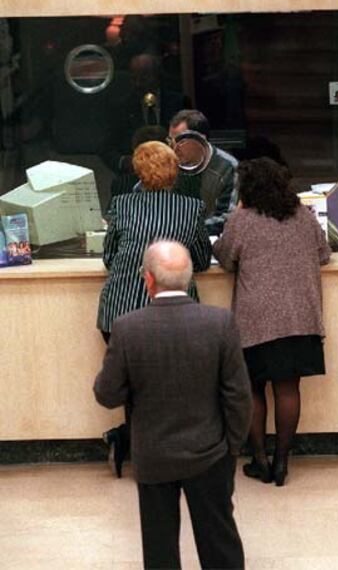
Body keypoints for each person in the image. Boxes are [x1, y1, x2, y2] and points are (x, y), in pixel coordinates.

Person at [94, 240, 252, 570]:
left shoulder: (127, 328)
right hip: (210, 453)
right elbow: (238, 396)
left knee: (160, 548)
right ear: (189, 279)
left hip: (154, 455)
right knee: (219, 543)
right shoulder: (219, 323)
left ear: (148, 279)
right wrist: (231, 448)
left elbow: (106, 394)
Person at [213, 157, 331, 487]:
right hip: (300, 318)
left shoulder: (243, 220)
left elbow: (224, 258)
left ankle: (260, 460)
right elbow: (324, 254)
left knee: (252, 388)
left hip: (256, 321)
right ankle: (282, 462)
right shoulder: (304, 218)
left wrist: (237, 213)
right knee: (288, 388)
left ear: (246, 189)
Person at [97, 141, 212, 477]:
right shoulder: (190, 208)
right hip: (175, 313)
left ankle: (130, 442)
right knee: (172, 383)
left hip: (121, 308)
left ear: (137, 171)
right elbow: (202, 261)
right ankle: (156, 450)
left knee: (136, 385)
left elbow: (108, 258)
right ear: (175, 170)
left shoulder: (121, 204)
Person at [169, 109, 238, 235]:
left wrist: (187, 231)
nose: (174, 148)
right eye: (172, 141)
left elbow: (230, 217)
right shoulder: (171, 163)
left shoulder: (228, 167)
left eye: (181, 141)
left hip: (213, 240)